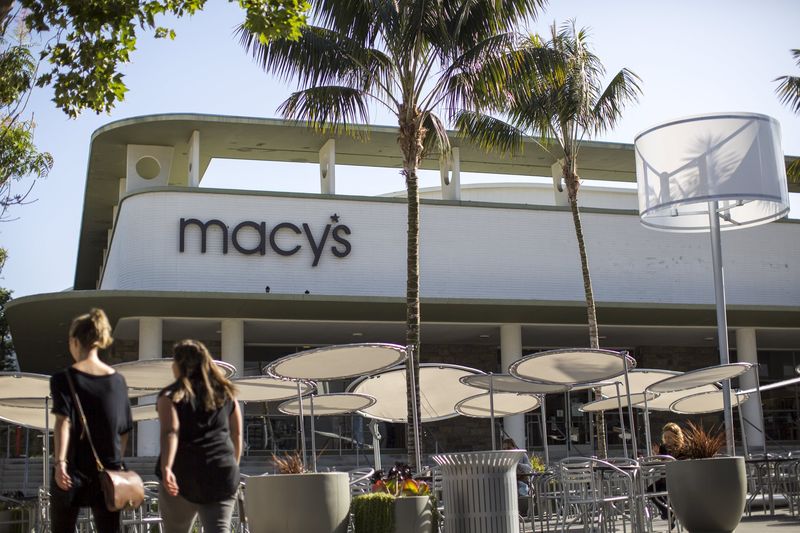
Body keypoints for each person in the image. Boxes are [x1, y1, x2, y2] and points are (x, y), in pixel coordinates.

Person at [50, 308, 133, 533]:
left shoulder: (63, 378)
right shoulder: (118, 381)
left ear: (75, 341)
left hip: (73, 469)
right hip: (108, 471)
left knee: (62, 528)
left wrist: (60, 463)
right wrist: (116, 464)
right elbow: (124, 429)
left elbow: (63, 422)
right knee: (109, 530)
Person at [156, 340, 242, 533]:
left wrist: (167, 467)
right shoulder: (227, 393)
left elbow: (171, 431)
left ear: (178, 365)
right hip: (221, 471)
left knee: (176, 530)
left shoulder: (170, 395)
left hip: (183, 471)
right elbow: (236, 433)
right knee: (219, 529)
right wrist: (233, 464)